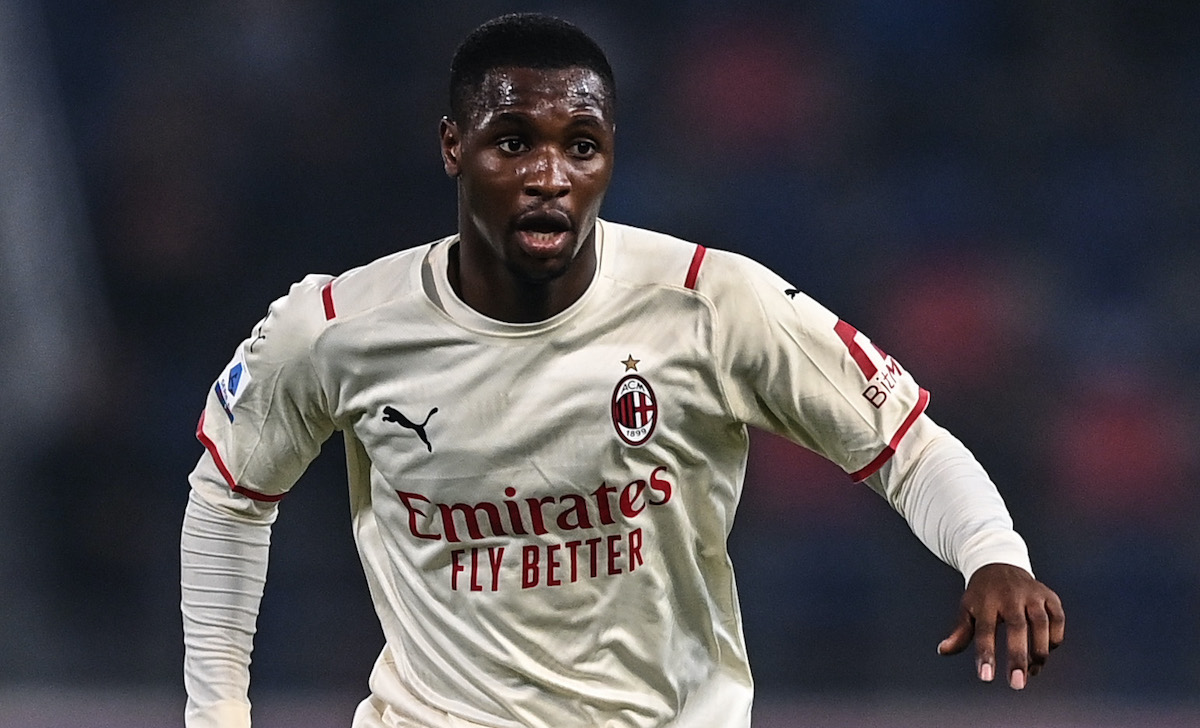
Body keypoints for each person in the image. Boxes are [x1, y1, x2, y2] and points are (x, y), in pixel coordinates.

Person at [180, 12, 1065, 728]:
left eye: (581, 146)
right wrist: (216, 714)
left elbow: (909, 446)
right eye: (513, 142)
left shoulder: (712, 304)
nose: (550, 176)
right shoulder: (337, 328)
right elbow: (228, 498)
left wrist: (993, 554)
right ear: (453, 146)